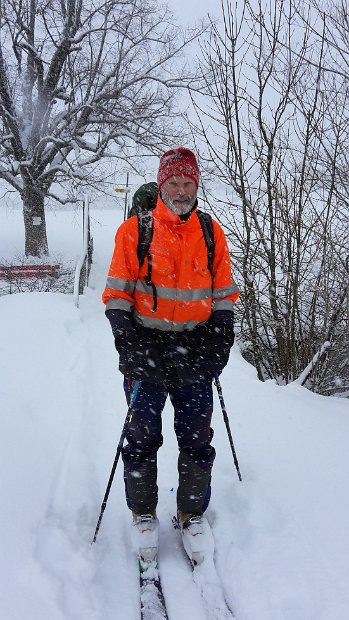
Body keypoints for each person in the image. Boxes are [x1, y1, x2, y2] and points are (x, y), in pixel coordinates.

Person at [102, 147, 240, 563]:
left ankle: (191, 513)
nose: (181, 190)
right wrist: (129, 344)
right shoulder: (134, 231)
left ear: (196, 186)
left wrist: (220, 338)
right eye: (173, 183)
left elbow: (224, 294)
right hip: (147, 349)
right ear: (161, 186)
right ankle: (143, 512)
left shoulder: (212, 232)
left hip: (195, 351)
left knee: (197, 436)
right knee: (142, 434)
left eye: (187, 183)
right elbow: (116, 295)